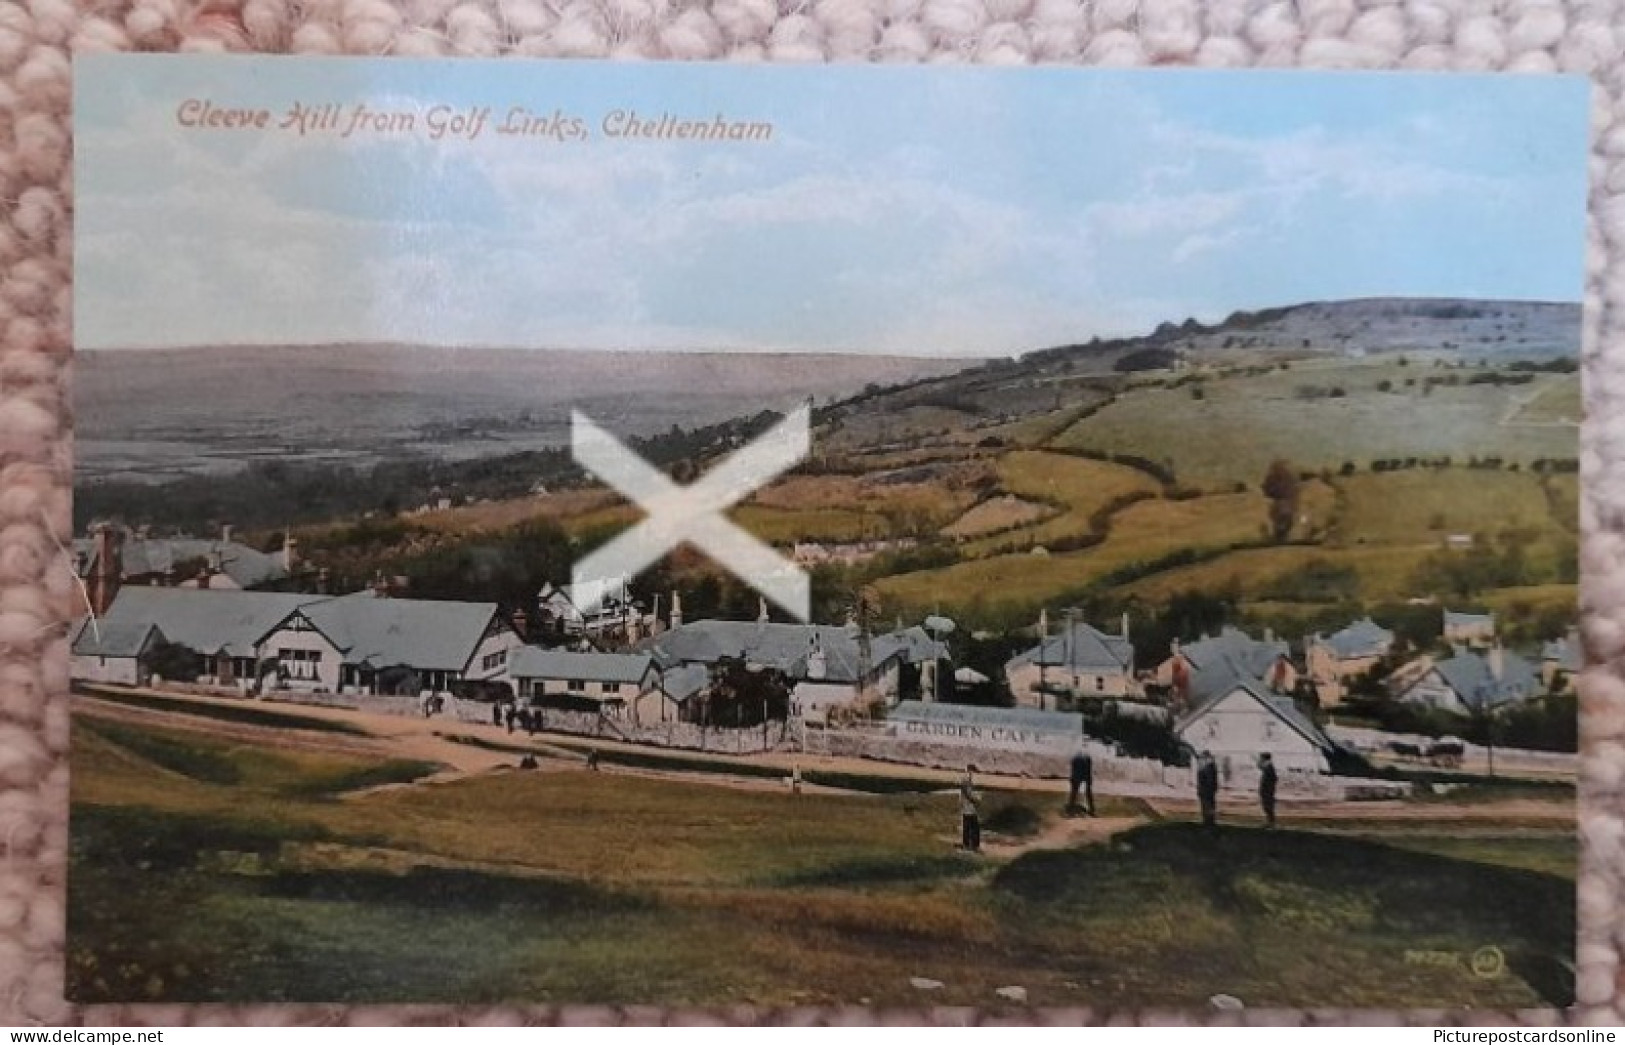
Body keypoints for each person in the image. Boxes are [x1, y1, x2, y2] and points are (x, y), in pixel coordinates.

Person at [959, 764, 982, 853]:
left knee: (970, 827)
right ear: (969, 770)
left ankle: (970, 845)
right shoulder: (966, 781)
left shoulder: (967, 780)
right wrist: (977, 799)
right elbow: (969, 794)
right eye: (972, 771)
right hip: (968, 807)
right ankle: (970, 845)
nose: (973, 773)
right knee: (970, 827)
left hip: (969, 807)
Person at [1067, 742, 1095, 816]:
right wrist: (1089, 780)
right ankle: (1092, 809)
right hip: (1085, 763)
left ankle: (1071, 808)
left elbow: (1073, 769)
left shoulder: (1075, 755)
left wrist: (1072, 779)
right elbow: (1089, 770)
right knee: (1088, 791)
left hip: (1077, 763)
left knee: (1074, 790)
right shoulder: (1088, 755)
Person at [1196, 752, 1219, 831]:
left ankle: (1209, 822)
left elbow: (1209, 780)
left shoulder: (1207, 767)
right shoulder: (1208, 767)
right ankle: (1208, 822)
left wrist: (1205, 789)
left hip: (1207, 791)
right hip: (1207, 791)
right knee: (1208, 807)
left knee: (1207, 807)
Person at [1258, 752, 1279, 829]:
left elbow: (1273, 778)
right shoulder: (1268, 766)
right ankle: (1270, 822)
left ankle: (1271, 823)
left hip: (1267, 791)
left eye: (1261, 758)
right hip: (1267, 791)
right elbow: (1261, 767)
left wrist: (1268, 789)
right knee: (1267, 806)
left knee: (1268, 806)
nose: (1260, 759)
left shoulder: (1269, 767)